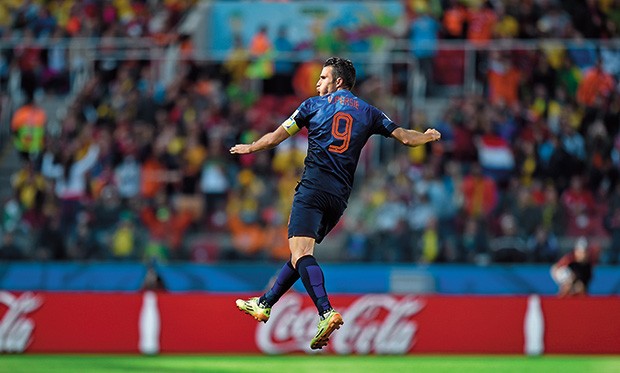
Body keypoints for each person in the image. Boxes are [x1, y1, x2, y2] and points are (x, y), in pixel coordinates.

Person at [230, 57, 441, 350]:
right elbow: (406, 139)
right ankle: (265, 303)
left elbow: (275, 138)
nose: (318, 83)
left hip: (313, 187)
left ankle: (326, 311)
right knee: (300, 254)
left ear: (338, 82)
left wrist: (251, 146)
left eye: (323, 77)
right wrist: (428, 136)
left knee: (301, 252)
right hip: (339, 198)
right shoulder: (370, 112)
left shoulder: (311, 107)